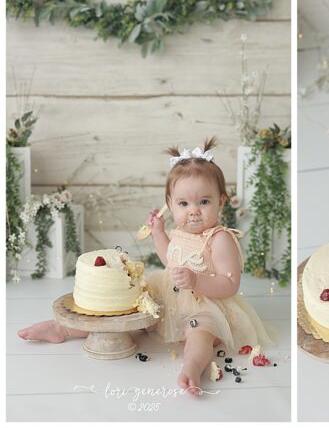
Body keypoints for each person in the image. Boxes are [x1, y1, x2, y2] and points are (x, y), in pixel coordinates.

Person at [18, 139, 277, 398]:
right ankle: (62, 328)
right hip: (168, 295)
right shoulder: (180, 232)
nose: (194, 212)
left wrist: (196, 281)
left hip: (205, 303)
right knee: (127, 311)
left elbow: (229, 283)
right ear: (170, 202)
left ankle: (192, 367)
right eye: (184, 204)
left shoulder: (220, 238)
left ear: (221, 202)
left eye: (204, 202)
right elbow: (170, 260)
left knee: (199, 334)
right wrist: (158, 233)